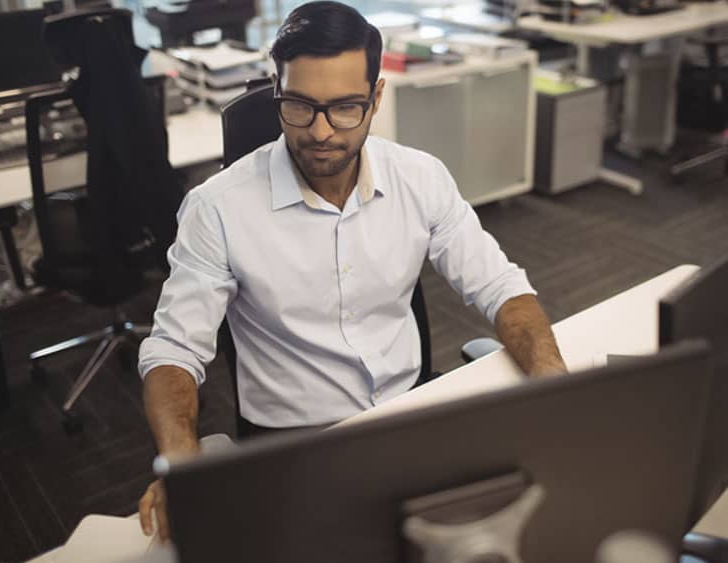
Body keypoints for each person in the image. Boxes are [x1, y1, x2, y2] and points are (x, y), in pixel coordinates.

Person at [138, 0, 567, 540]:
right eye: (300, 106)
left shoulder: (420, 178)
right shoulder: (217, 208)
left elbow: (501, 288)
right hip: (294, 445)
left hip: (413, 414)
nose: (321, 132)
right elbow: (174, 351)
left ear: (376, 98)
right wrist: (181, 463)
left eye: (344, 107)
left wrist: (554, 386)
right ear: (277, 92)